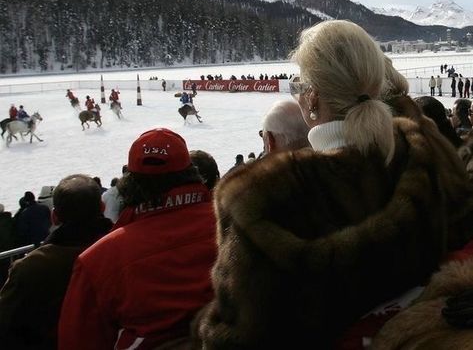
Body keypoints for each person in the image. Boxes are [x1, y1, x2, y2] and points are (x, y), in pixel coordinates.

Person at [193, 20, 469, 349]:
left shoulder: (259, 197)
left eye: (299, 85)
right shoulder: (420, 149)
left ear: (311, 98)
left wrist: (199, 328)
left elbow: (242, 336)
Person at [59, 128, 217, 349]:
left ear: (130, 184)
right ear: (192, 175)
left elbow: (76, 341)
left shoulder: (98, 260)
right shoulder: (234, 225)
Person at [0, 175, 112, 350]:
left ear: (54, 217)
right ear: (102, 207)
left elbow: (5, 323)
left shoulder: (29, 268)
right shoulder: (127, 249)